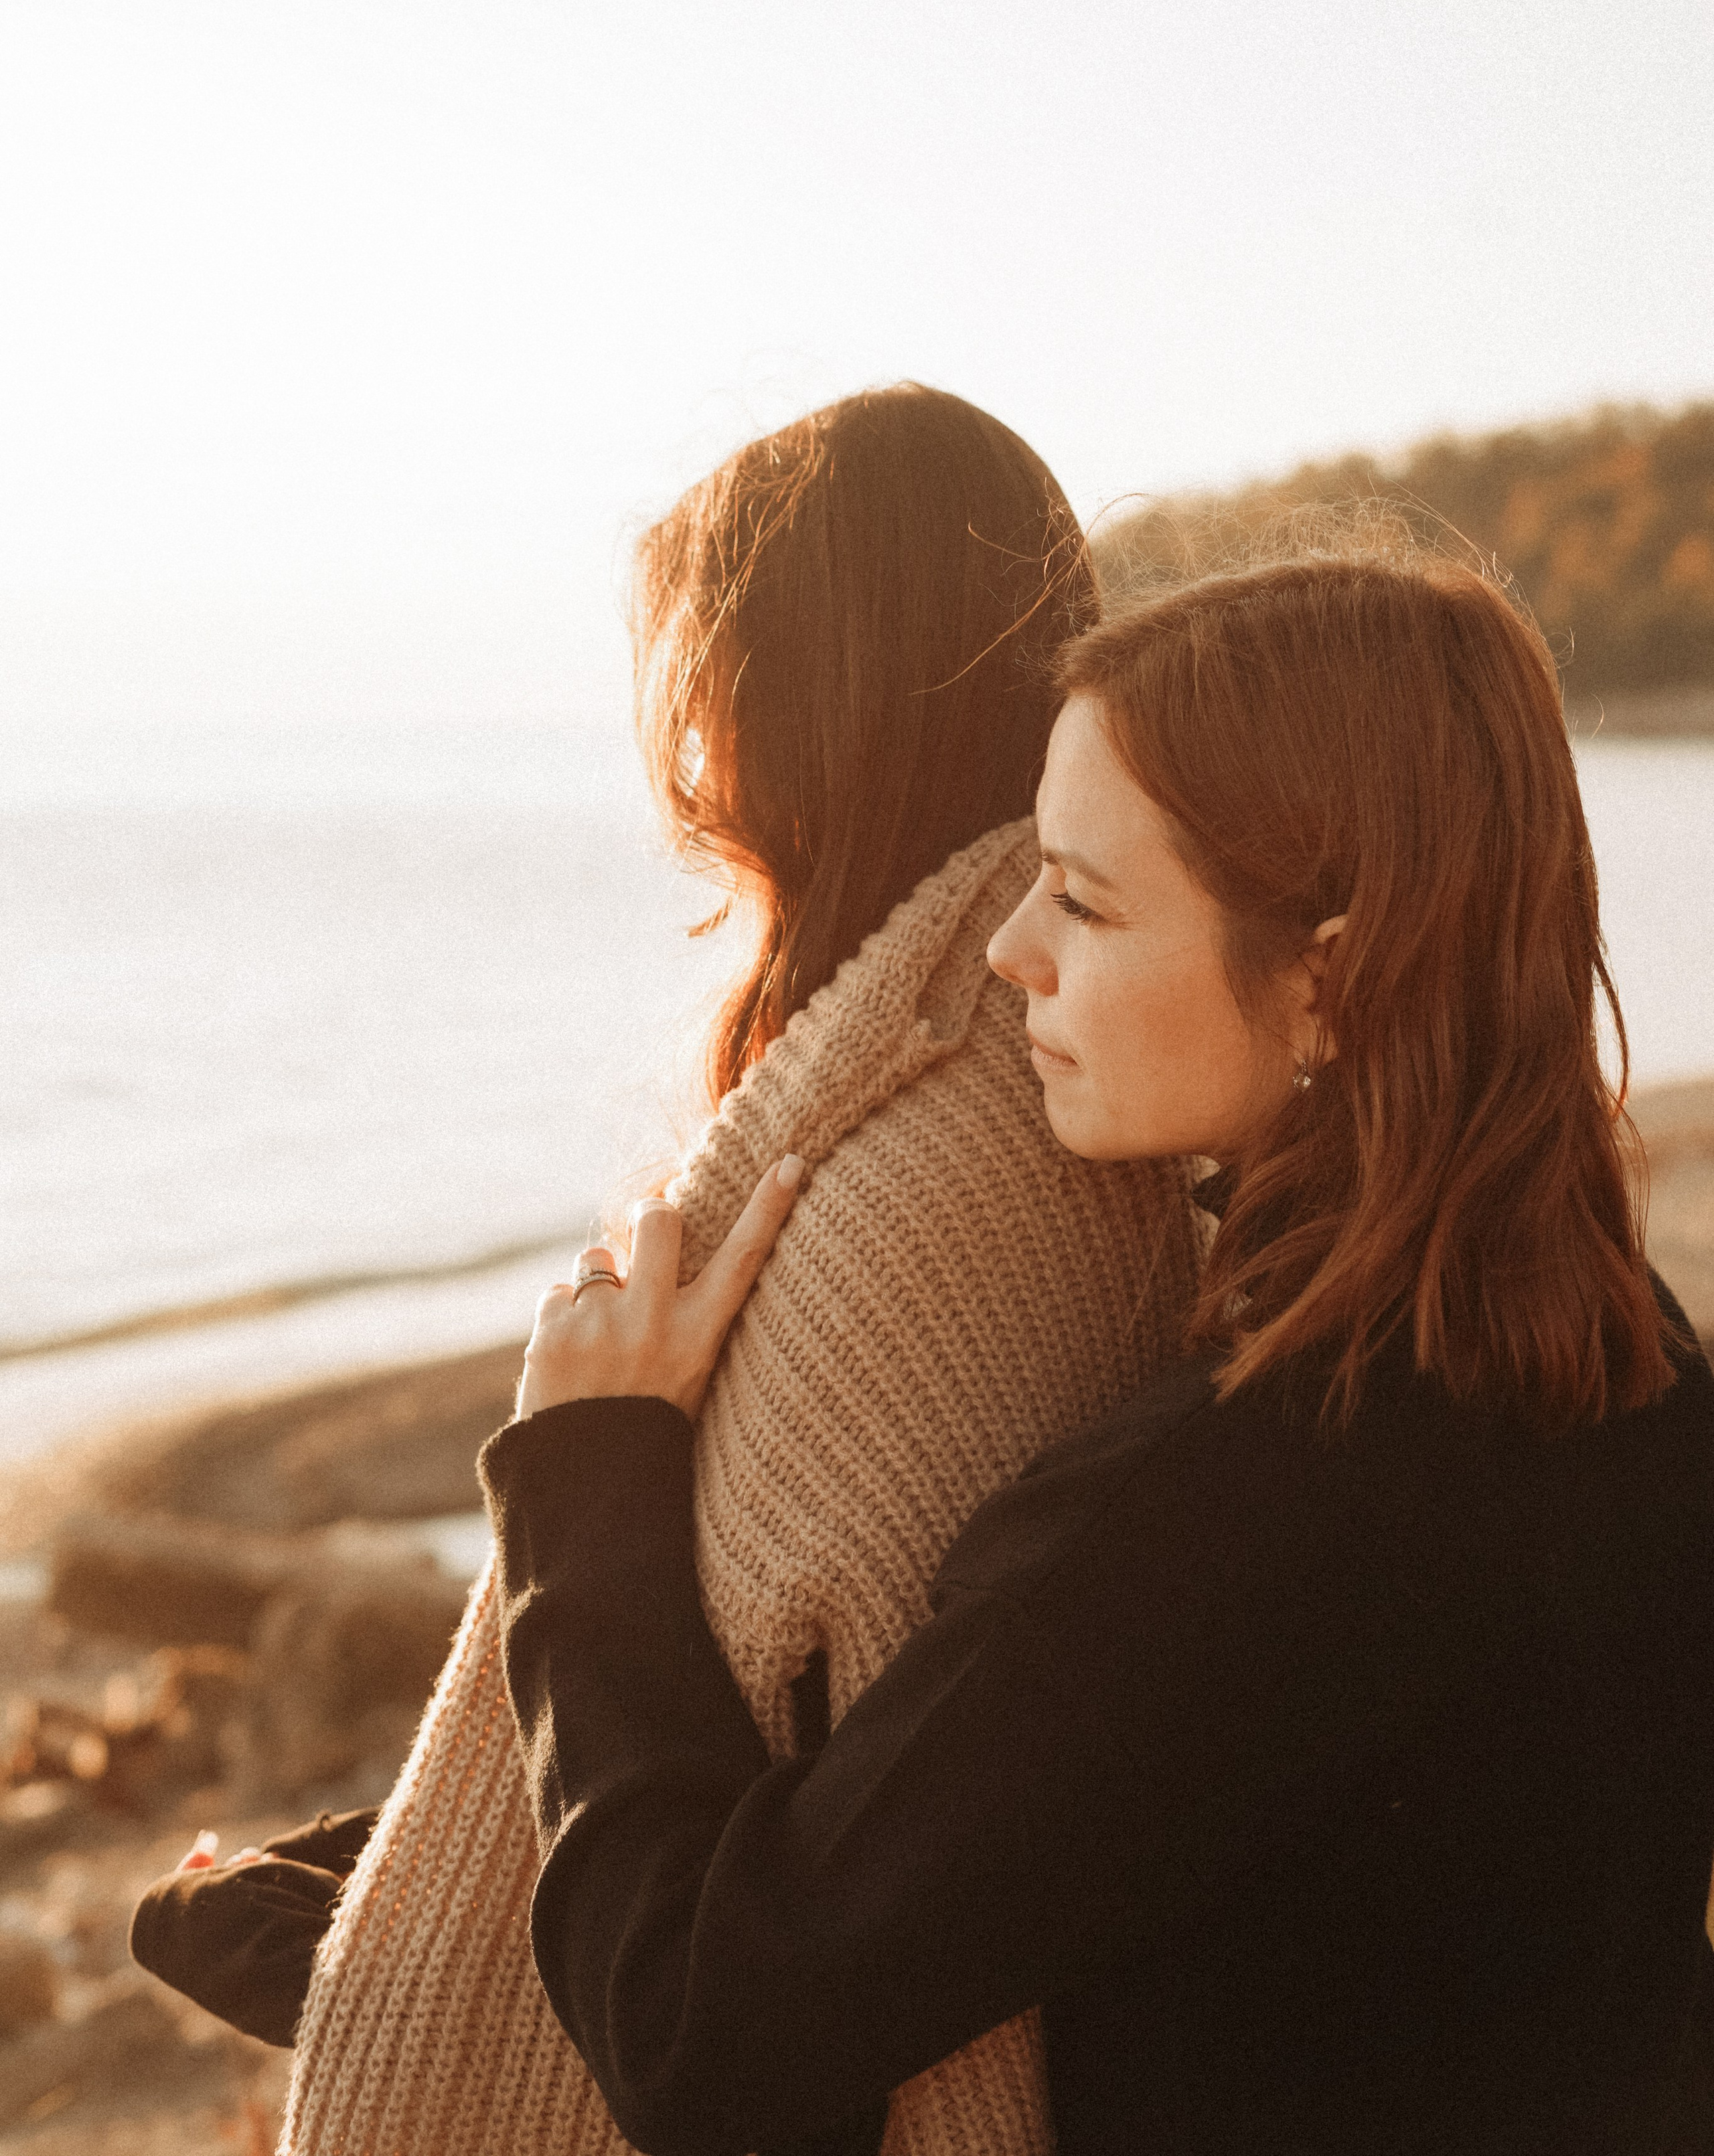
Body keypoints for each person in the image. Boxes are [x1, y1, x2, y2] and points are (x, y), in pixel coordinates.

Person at [475, 531, 1714, 2156]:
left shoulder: (1238, 1512)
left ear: (1328, 985)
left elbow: (705, 2032)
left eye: (1081, 899)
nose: (1008, 955)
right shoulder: (1633, 1352)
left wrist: (585, 1495)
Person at [131, 386, 1201, 2156]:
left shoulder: (889, 1205)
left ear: (777, 706)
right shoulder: (1060, 1082)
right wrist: (354, 1891)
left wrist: (580, 1465)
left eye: (695, 676)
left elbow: (751, 1932)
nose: (678, 748)